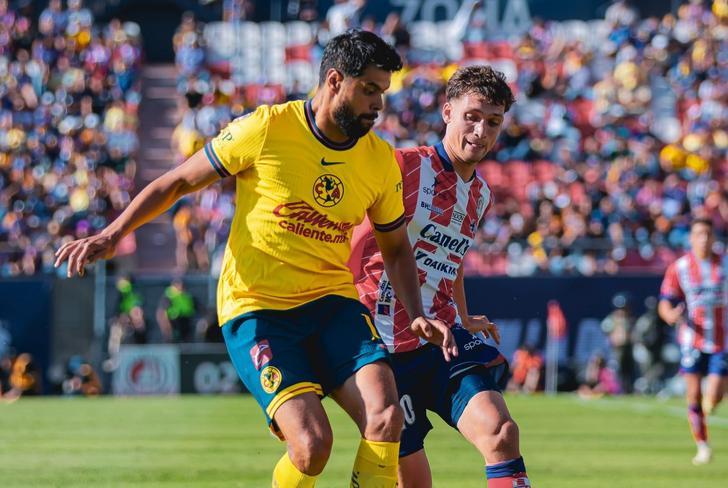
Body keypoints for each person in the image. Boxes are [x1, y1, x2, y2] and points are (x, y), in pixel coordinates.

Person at [55, 30, 456, 487]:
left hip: (331, 303)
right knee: (311, 447)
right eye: (368, 89)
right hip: (258, 307)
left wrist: (416, 312)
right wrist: (113, 231)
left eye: (382, 92)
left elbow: (397, 247)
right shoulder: (266, 128)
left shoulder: (379, 160)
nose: (378, 104)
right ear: (333, 80)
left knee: (386, 418)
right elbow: (179, 182)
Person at [350, 65, 530, 487]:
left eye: (493, 122)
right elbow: (353, 245)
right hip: (384, 345)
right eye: (472, 116)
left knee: (501, 433)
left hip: (442, 337)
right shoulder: (403, 167)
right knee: (413, 480)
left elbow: (454, 258)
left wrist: (464, 317)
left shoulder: (481, 194)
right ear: (448, 112)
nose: (481, 130)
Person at [659, 218, 727, 465]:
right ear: (691, 238)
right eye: (699, 234)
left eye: (708, 234)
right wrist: (669, 315)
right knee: (694, 393)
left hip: (722, 339)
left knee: (715, 395)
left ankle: (711, 406)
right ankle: (703, 445)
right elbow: (665, 300)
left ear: (714, 238)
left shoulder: (726, 264)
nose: (704, 239)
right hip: (692, 339)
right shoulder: (681, 267)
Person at [157, 278, 197, 343]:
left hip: (186, 322)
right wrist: (167, 329)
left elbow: (197, 307)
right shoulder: (168, 297)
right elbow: (162, 313)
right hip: (174, 323)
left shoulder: (187, 296)